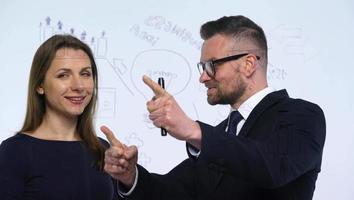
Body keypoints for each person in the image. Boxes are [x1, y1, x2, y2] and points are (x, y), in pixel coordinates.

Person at [103, 15, 326, 200]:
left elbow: (273, 166)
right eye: (202, 67)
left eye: (212, 65)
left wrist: (193, 131)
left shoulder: (302, 115)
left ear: (248, 64)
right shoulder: (218, 136)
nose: (203, 77)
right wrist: (130, 176)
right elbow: (170, 192)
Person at [0, 34, 119, 199]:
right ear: (40, 85)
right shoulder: (14, 152)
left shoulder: (101, 149)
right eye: (64, 75)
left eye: (85, 74)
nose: (78, 86)